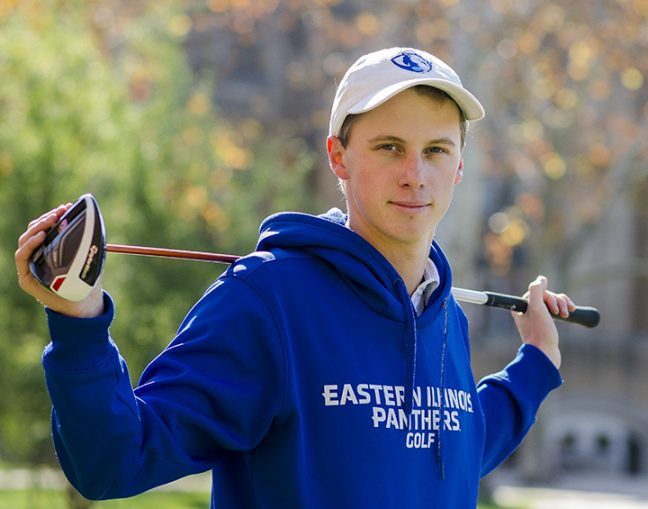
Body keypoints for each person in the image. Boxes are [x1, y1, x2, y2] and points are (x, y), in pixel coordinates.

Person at [15, 47, 576, 508]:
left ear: (458, 166)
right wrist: (78, 319)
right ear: (338, 156)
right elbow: (113, 462)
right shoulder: (266, 301)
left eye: (435, 150)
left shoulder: (442, 313)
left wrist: (537, 365)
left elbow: (452, 447)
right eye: (389, 148)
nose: (414, 175)